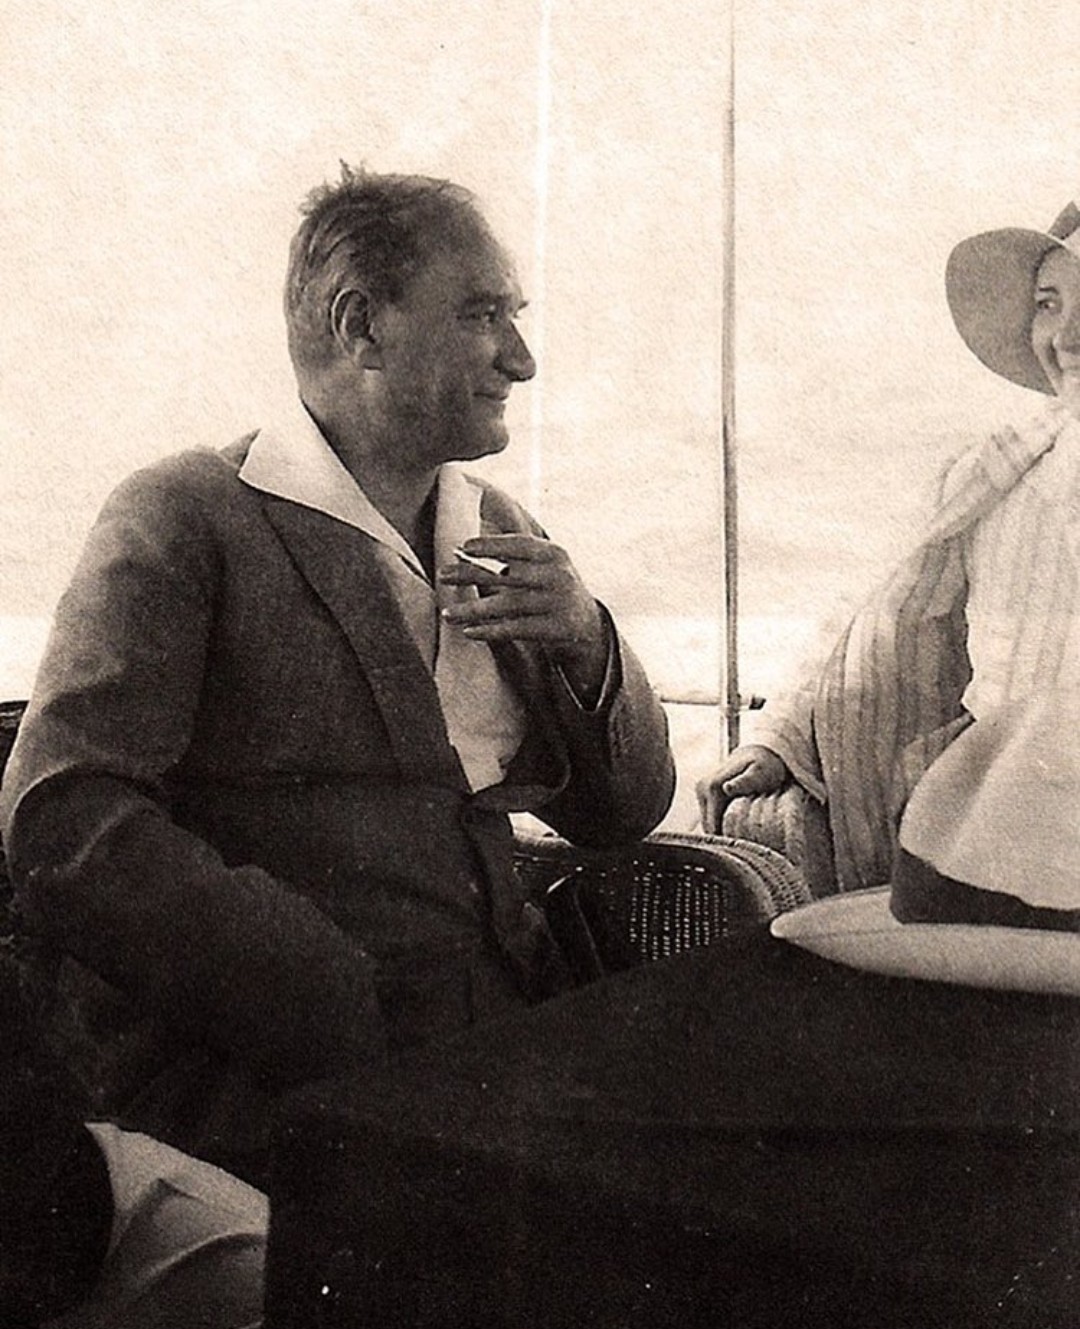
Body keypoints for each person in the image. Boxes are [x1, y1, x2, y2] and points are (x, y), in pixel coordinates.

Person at [0, 166, 675, 1184]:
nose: (522, 360)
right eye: (483, 315)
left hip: (506, 1045)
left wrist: (588, 642)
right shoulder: (189, 515)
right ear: (362, 327)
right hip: (269, 1080)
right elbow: (64, 819)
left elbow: (624, 816)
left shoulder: (498, 528)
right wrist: (319, 990)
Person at [697, 195, 1080, 894]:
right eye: (1049, 305)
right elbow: (877, 613)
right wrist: (782, 738)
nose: (1066, 337)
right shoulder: (997, 470)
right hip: (995, 826)